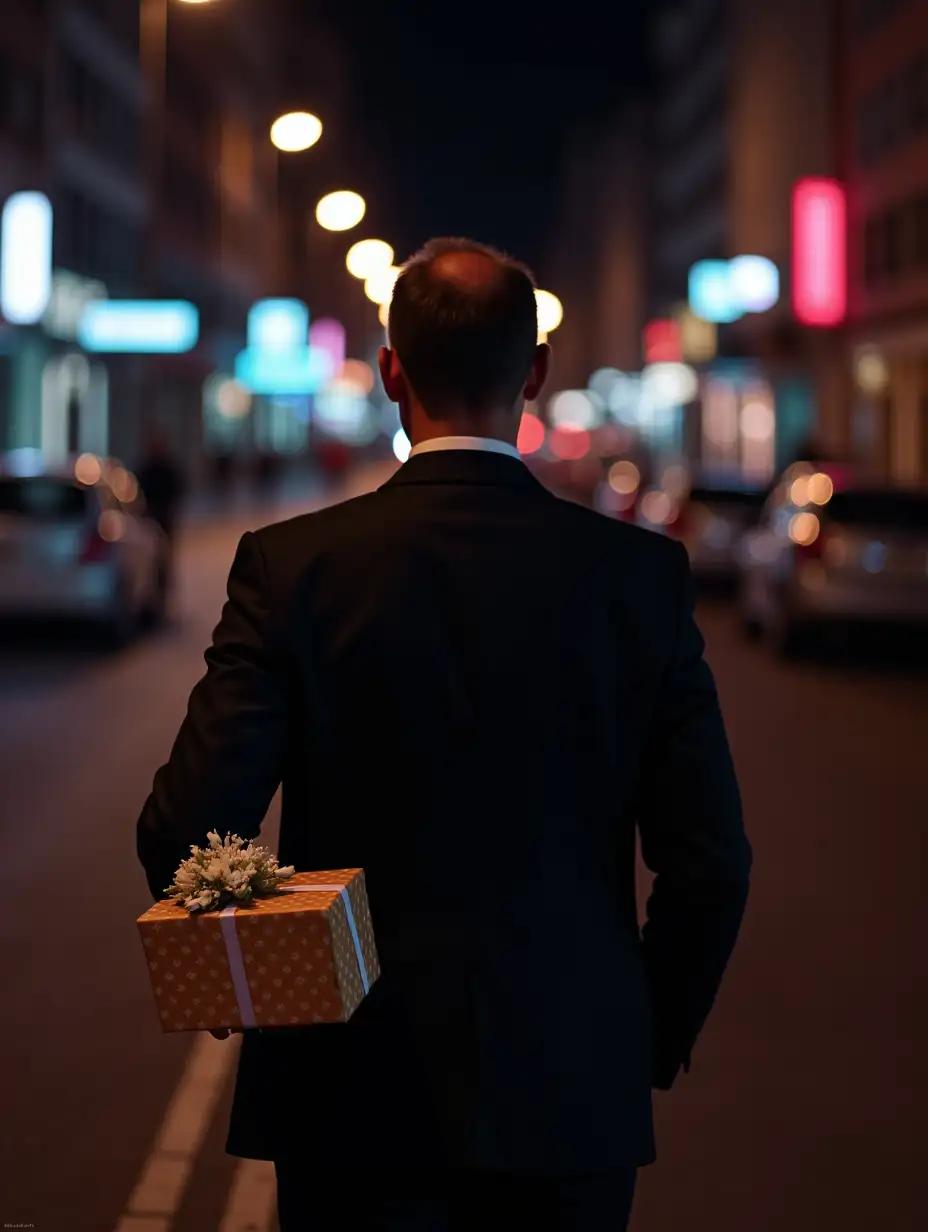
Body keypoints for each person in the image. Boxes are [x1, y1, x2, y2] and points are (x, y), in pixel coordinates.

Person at [137, 238, 752, 1231]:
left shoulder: (294, 568)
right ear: (535, 369)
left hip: (348, 1090)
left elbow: (188, 825)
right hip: (567, 1092)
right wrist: (636, 1032)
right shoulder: (634, 580)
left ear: (390, 370)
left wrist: (267, 974)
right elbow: (711, 862)